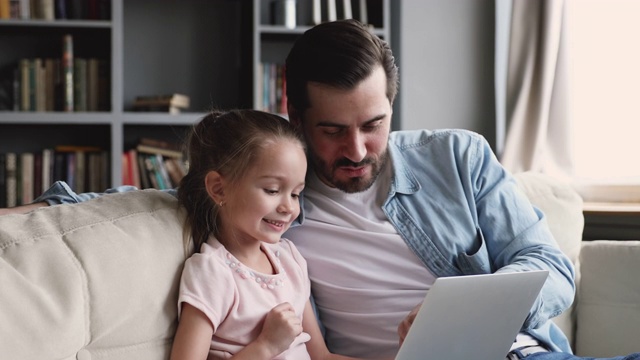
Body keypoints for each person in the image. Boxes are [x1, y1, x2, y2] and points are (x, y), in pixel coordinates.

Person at [4, 19, 640, 360]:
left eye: (374, 124)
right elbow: (157, 200)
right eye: (333, 131)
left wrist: (477, 306)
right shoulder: (271, 195)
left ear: (393, 103)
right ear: (297, 115)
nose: (357, 151)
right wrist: (49, 204)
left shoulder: (460, 156)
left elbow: (548, 265)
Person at [169, 109, 360, 360]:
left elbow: (321, 357)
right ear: (218, 189)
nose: (289, 207)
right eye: (272, 190)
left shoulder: (289, 259)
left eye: (295, 194)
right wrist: (267, 346)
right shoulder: (213, 273)